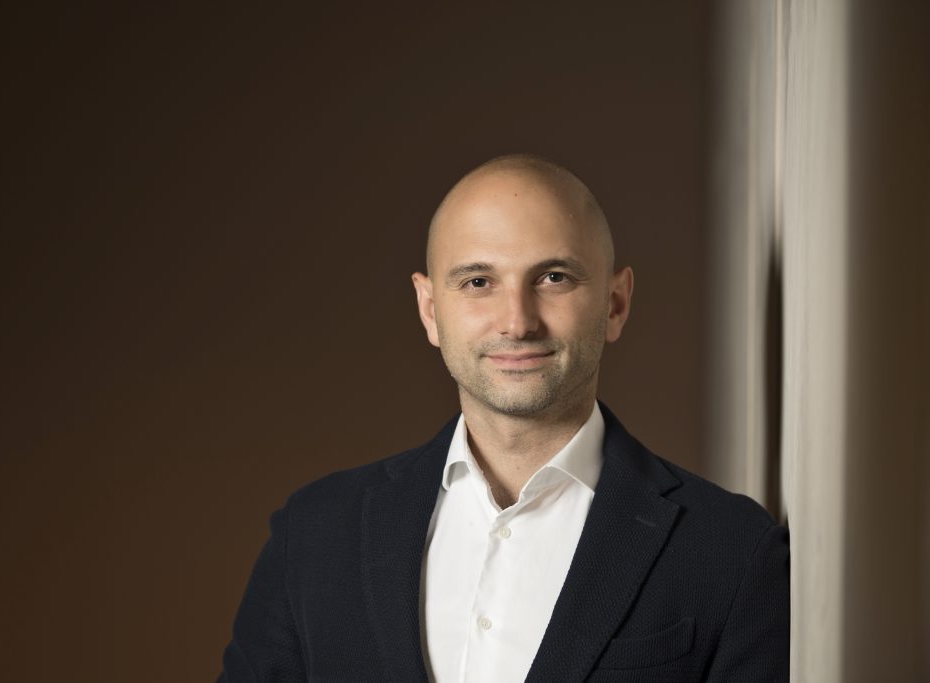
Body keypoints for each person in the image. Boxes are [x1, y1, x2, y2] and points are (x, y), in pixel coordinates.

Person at [217, 154, 789, 682]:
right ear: (429, 310)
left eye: (554, 277)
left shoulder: (731, 551)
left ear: (615, 303)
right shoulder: (313, 535)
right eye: (478, 282)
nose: (517, 322)